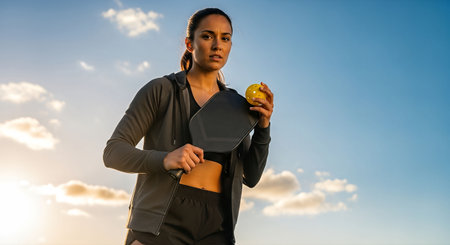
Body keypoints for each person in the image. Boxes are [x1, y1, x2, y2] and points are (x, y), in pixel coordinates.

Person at [103, 7, 274, 245]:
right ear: (189, 44)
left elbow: (252, 176)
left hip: (217, 226)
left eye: (225, 38)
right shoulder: (161, 90)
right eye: (207, 36)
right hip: (162, 222)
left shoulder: (236, 106)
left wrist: (263, 127)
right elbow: (113, 153)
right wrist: (164, 159)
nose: (217, 45)